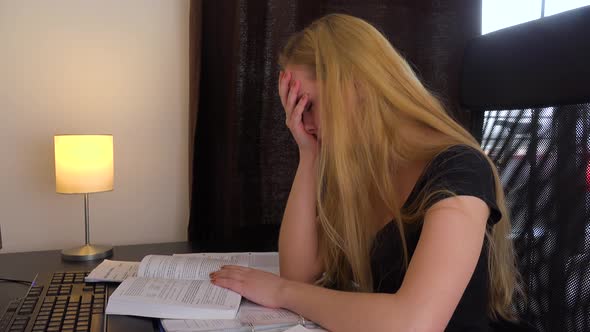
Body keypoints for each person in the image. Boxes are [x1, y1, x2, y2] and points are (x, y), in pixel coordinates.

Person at [210, 14, 522, 331]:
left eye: (309, 105)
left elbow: (414, 323)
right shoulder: (369, 169)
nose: (303, 123)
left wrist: (281, 292)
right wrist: (309, 153)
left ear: (357, 86)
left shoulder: (460, 169)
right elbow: (300, 273)